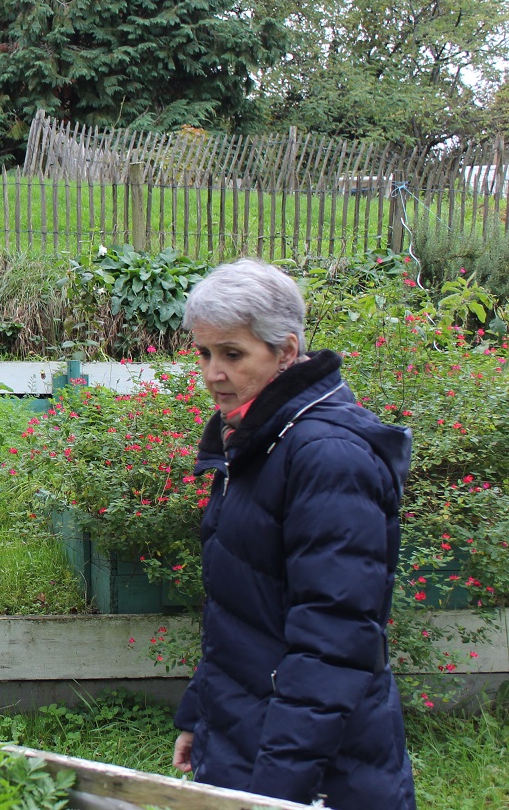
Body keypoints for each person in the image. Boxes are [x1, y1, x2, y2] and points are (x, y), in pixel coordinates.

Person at [172, 259, 414, 808]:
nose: (212, 373)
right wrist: (202, 717)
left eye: (232, 354)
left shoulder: (328, 458)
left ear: (285, 351)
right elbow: (242, 611)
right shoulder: (259, 440)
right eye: (204, 353)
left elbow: (332, 644)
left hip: (320, 767)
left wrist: (276, 791)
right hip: (246, 734)